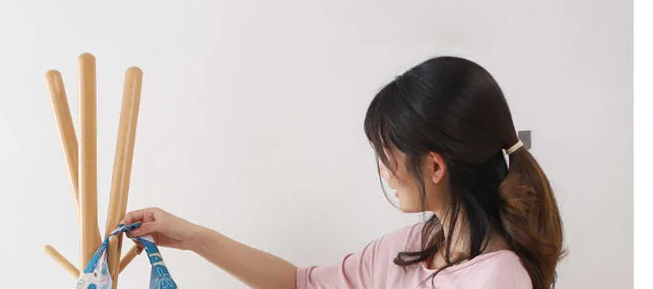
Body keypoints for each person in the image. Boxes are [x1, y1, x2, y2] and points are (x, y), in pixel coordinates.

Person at [122, 56, 566, 288]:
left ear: (434, 166)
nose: (384, 171)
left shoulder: (497, 279)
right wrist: (193, 238)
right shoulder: (417, 246)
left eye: (388, 154)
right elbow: (299, 284)